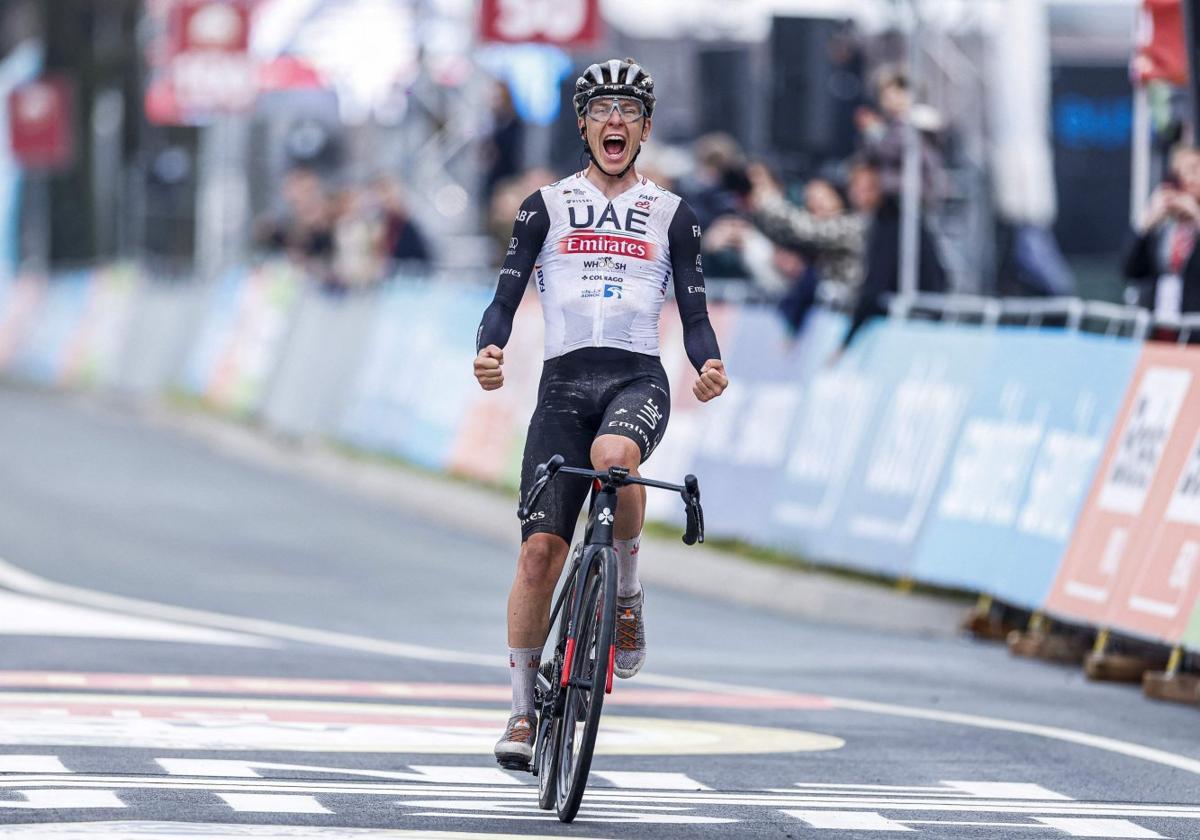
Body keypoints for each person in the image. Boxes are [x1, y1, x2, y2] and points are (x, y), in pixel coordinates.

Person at [472, 58, 729, 768]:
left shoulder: (672, 213)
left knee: (619, 461)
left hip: (637, 378)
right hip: (562, 386)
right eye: (601, 108)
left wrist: (706, 362)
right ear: (584, 124)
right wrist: (489, 349)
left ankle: (627, 594)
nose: (615, 120)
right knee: (536, 557)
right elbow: (505, 295)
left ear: (644, 128)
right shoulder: (544, 205)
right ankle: (523, 712)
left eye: (629, 110)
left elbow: (695, 311)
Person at [1123, 145, 1200, 322]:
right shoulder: (1163, 230)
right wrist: (1147, 222)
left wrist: (1196, 216)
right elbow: (1130, 269)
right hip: (1160, 326)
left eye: (1194, 170)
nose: (1188, 178)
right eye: (1181, 172)